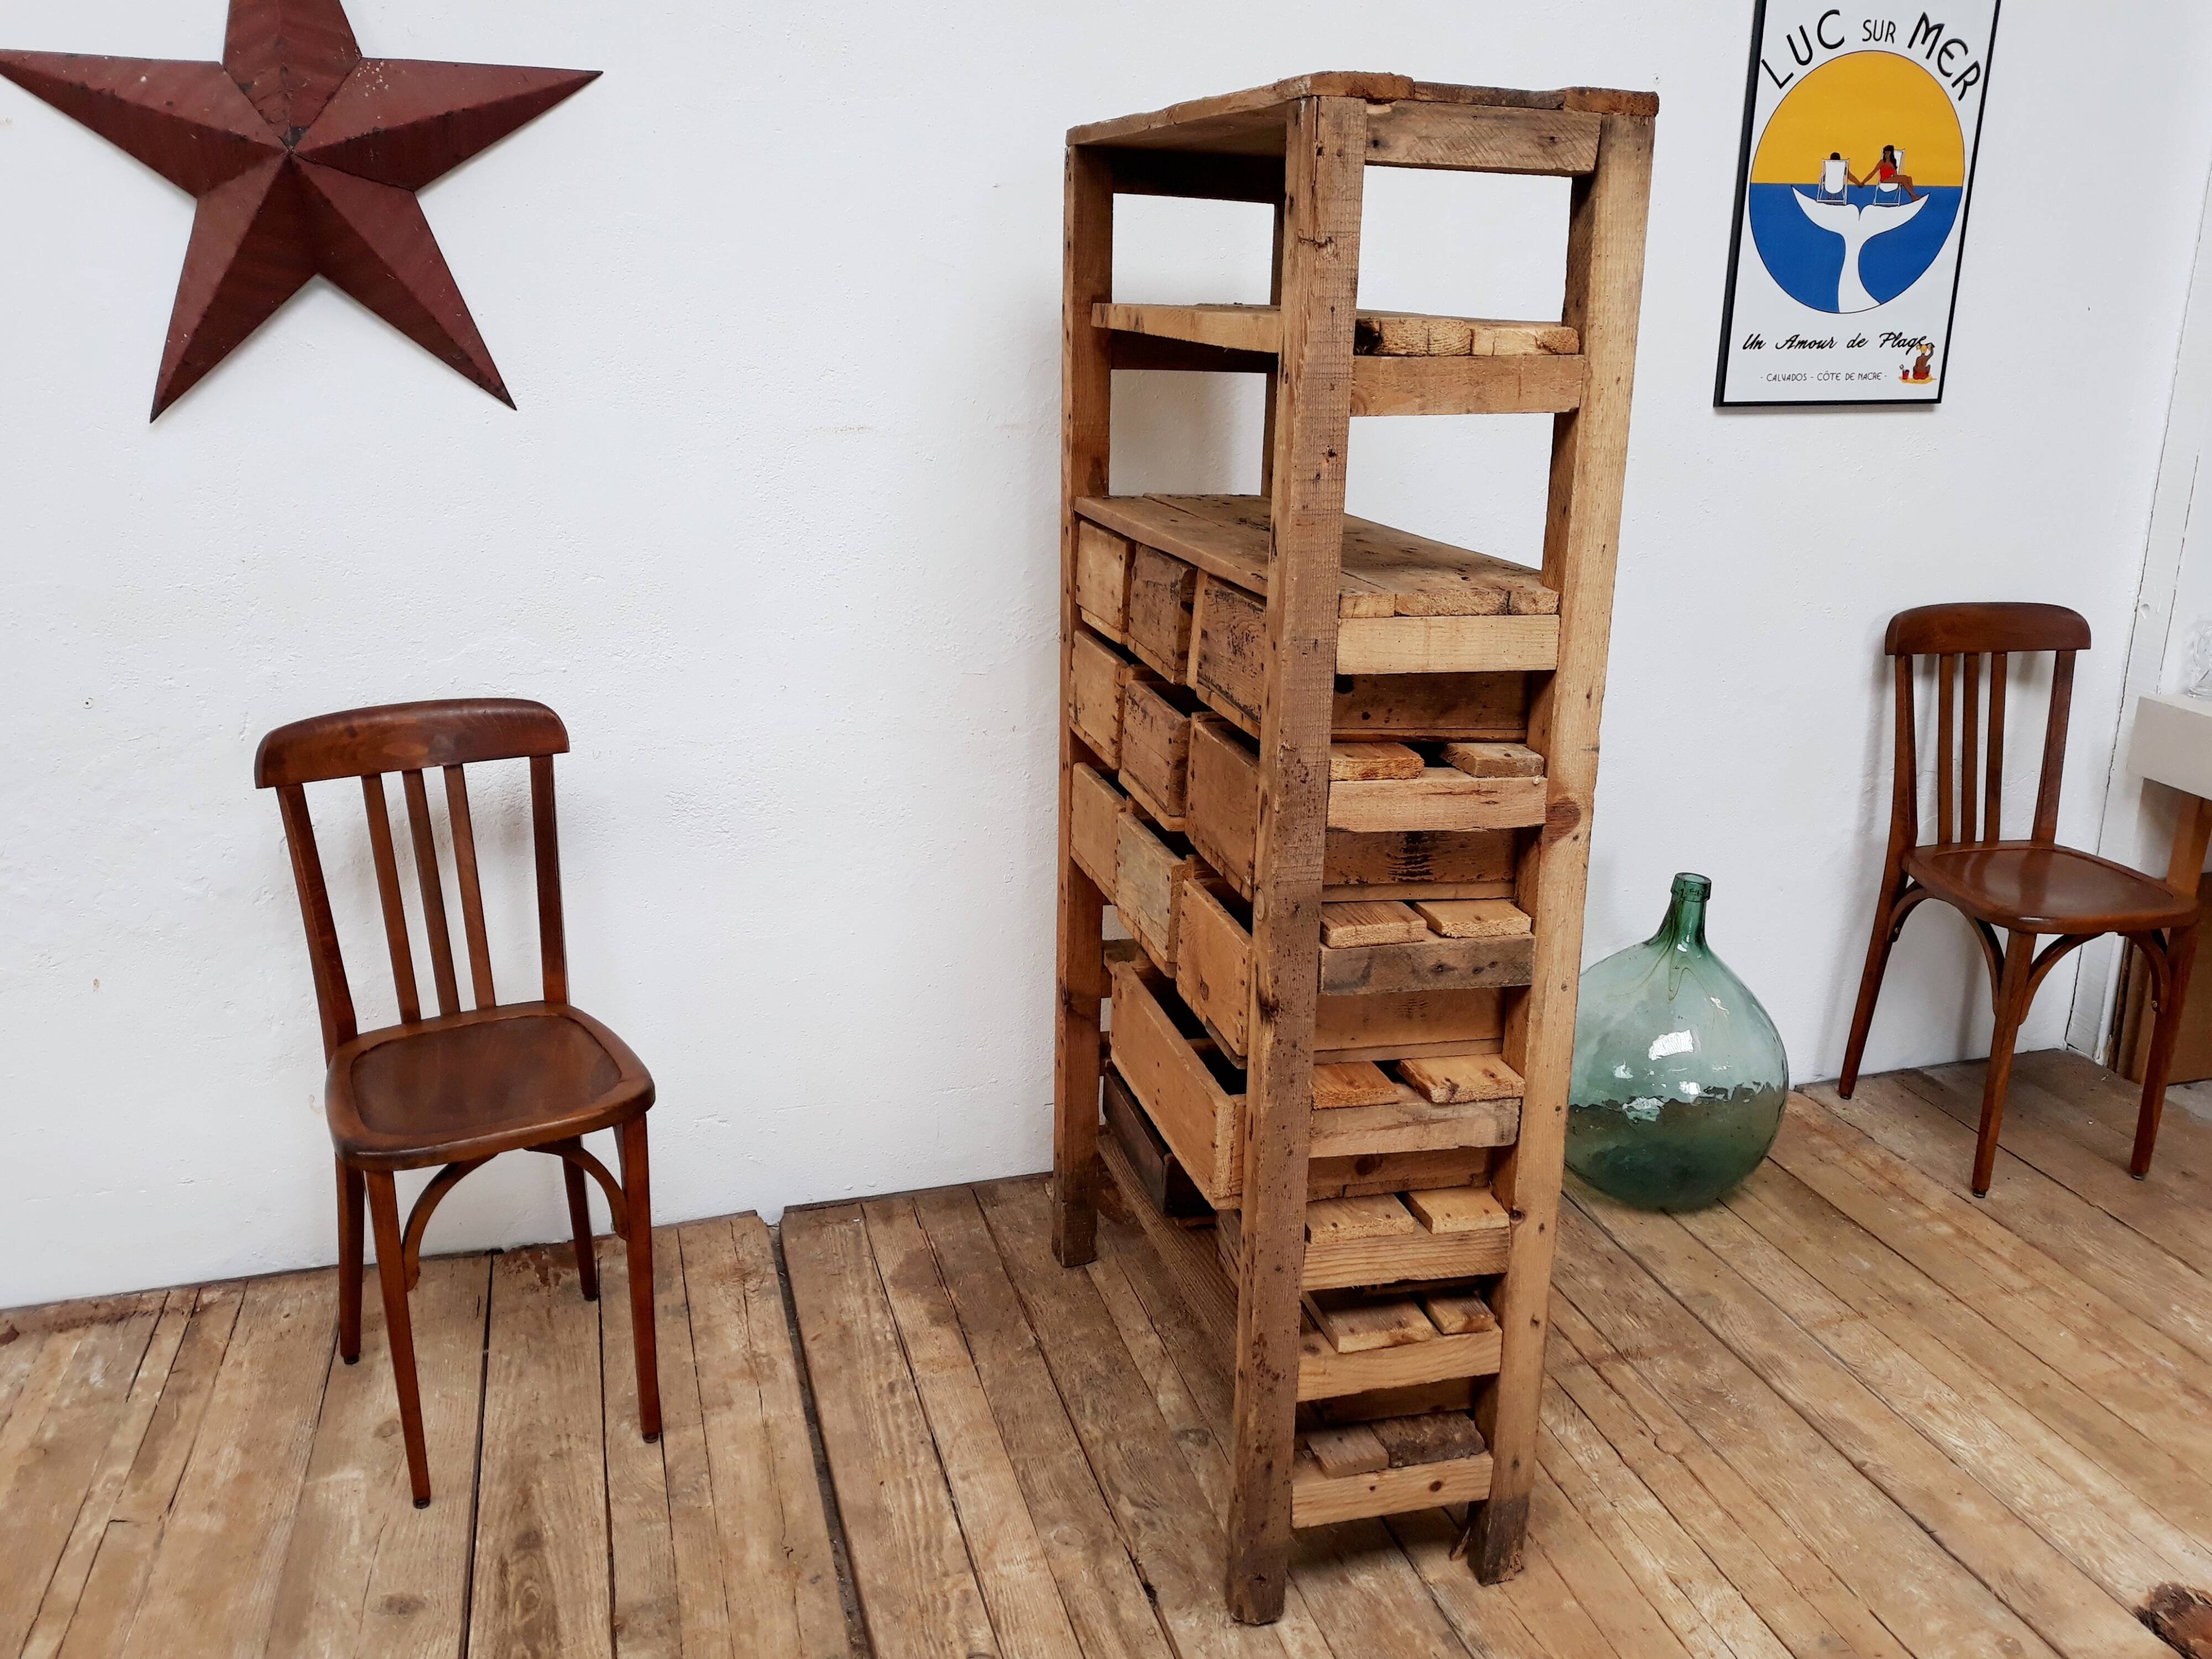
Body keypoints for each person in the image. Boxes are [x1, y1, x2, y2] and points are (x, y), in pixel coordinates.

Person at [1853, 144, 1919, 202]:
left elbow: (1895, 176)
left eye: (1888, 153)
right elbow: (1873, 173)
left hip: (1891, 179)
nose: (1886, 154)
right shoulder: (1882, 162)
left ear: (1891, 153)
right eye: (1885, 153)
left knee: (1909, 178)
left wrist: (1901, 181)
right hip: (1884, 180)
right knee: (1904, 178)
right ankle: (1915, 196)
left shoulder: (1893, 163)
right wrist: (1864, 182)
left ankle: (1913, 197)